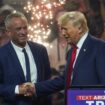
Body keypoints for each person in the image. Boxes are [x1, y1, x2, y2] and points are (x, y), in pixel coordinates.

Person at [19, 11, 105, 103]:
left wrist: (80, 99)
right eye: (61, 29)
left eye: (65, 29)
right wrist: (35, 87)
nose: (63, 33)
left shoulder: (99, 47)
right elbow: (64, 80)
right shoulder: (71, 52)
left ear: (79, 28)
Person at [0, 11, 52, 105]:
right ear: (8, 32)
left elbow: (47, 80)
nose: (23, 32)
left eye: (25, 28)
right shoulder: (1, 54)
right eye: (18, 29)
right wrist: (17, 89)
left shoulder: (40, 50)